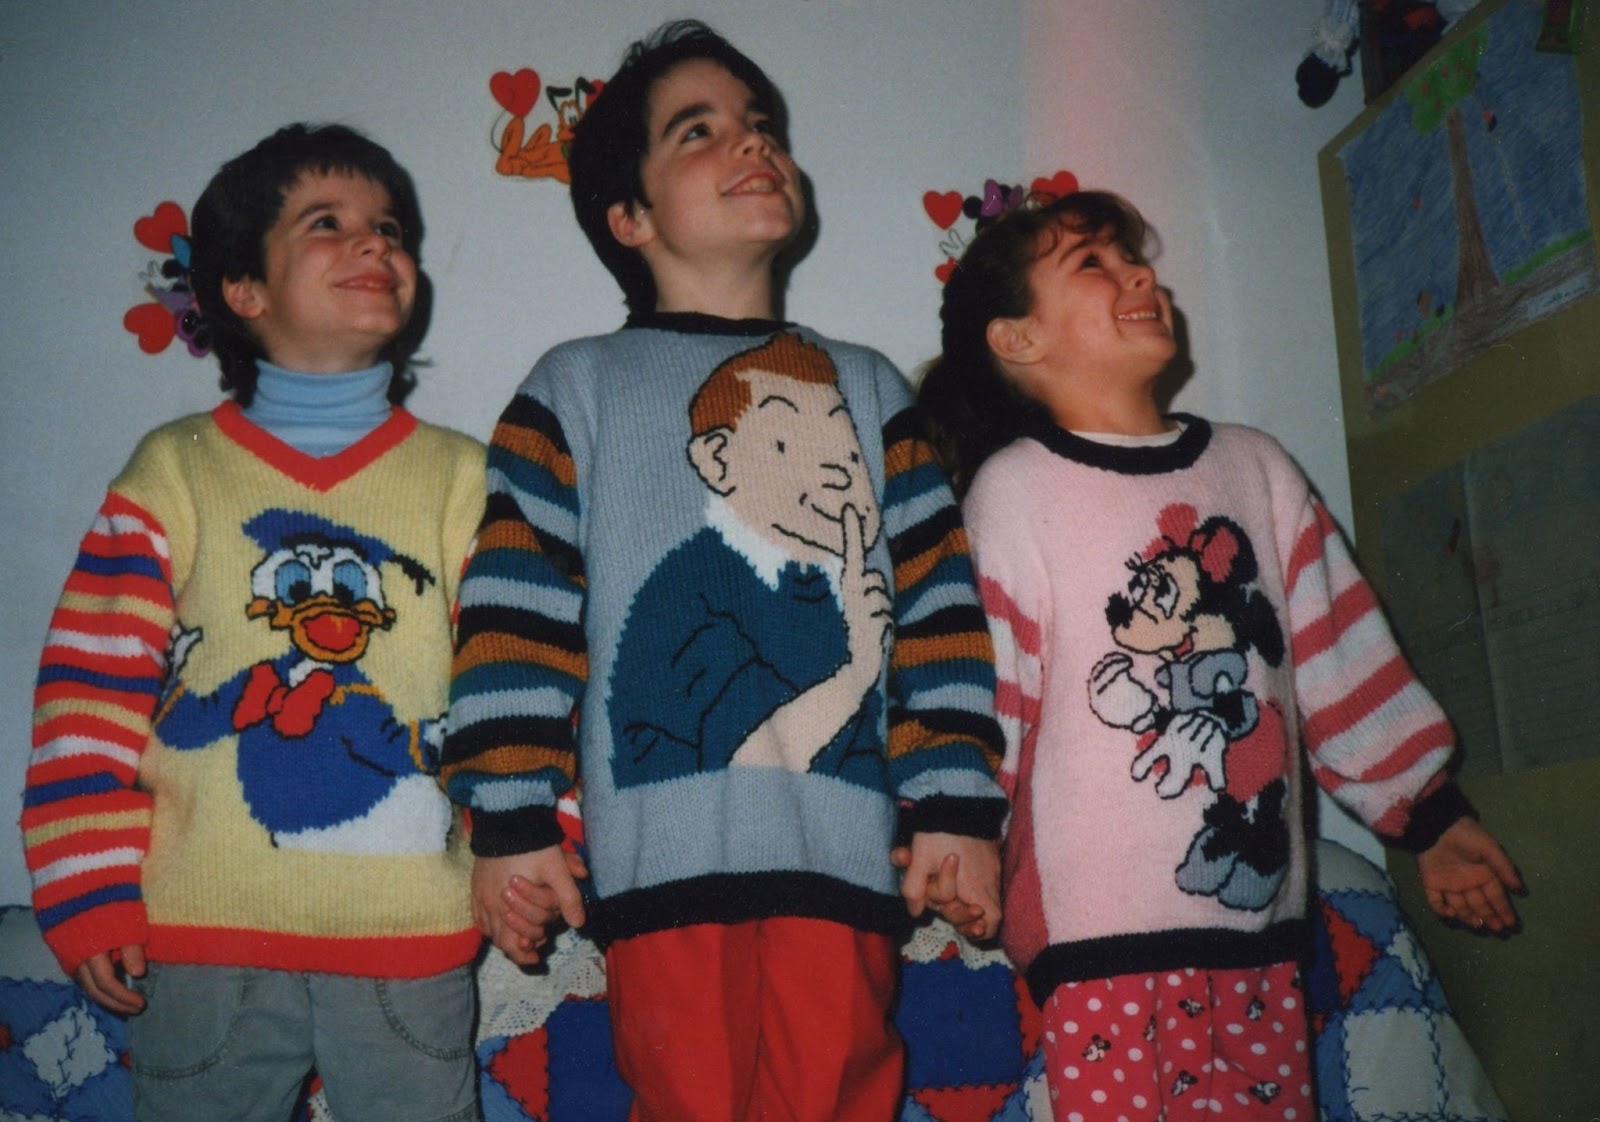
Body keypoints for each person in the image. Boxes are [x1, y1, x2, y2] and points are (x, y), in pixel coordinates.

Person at [440, 20, 1005, 1122]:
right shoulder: (578, 387)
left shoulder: (870, 388)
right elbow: (514, 616)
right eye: (698, 130)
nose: (754, 142)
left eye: (761, 123)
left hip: (841, 865)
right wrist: (509, 823)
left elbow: (940, 612)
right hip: (662, 874)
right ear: (630, 216)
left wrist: (955, 805)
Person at [915, 189, 1522, 1121]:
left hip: (1260, 924)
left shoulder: (1255, 468)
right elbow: (988, 689)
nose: (1139, 276)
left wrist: (1429, 816)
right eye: (1094, 264)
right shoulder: (1017, 491)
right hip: (1096, 935)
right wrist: (963, 841)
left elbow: (1339, 655)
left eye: (1135, 259)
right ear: (1018, 338)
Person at [21, 124, 485, 1122]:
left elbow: (517, 681)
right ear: (243, 288)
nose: (377, 243)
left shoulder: (465, 478)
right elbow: (89, 691)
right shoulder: (175, 469)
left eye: (391, 227)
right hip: (200, 941)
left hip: (410, 937)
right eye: (327, 223)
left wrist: (535, 844)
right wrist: (86, 886)